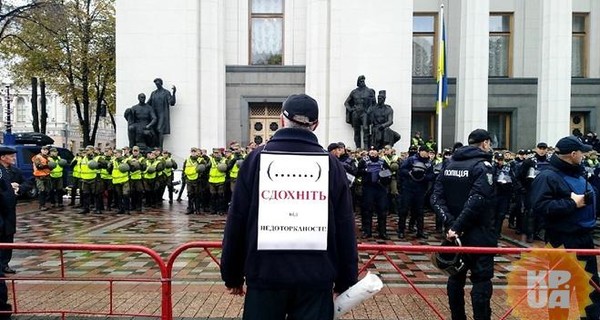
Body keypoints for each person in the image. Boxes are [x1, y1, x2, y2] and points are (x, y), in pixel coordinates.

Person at [221, 94, 358, 320]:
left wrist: (232, 275)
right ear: (315, 124)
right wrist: (346, 279)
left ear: (282, 120)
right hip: (316, 278)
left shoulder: (256, 158)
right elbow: (345, 225)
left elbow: (237, 219)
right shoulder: (331, 163)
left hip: (265, 275)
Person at [530, 136, 600, 319]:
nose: (584, 156)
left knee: (591, 292)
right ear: (573, 154)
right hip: (561, 240)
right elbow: (539, 207)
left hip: (584, 239)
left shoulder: (579, 173)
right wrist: (571, 204)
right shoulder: (547, 176)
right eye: (581, 153)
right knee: (560, 293)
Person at [430, 129, 497, 320]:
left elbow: (436, 198)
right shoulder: (483, 166)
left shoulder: (449, 164)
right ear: (485, 143)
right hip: (478, 234)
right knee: (481, 281)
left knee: (455, 277)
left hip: (454, 235)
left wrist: (452, 225)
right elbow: (477, 199)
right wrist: (456, 225)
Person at [0, 145, 20, 317]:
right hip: (3, 216)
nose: (14, 158)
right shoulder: (0, 173)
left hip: (6, 217)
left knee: (7, 240)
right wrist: (12, 193)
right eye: (11, 156)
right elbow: (5, 197)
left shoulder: (10, 171)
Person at [344, 75, 376, 149]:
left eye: (363, 81)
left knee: (365, 128)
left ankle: (366, 148)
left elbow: (374, 103)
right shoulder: (354, 92)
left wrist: (369, 111)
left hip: (364, 112)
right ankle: (358, 147)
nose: (362, 82)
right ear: (358, 82)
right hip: (356, 112)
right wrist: (351, 109)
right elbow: (346, 103)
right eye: (361, 81)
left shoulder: (369, 91)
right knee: (356, 130)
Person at [147, 78, 176, 149]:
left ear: (161, 83)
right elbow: (148, 103)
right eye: (156, 84)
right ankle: (154, 146)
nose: (157, 85)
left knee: (159, 129)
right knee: (153, 130)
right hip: (154, 114)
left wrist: (174, 93)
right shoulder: (153, 93)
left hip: (162, 114)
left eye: (158, 83)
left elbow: (172, 103)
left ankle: (160, 147)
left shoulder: (166, 92)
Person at [32, 145, 51, 211]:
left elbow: (51, 166)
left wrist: (51, 166)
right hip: (39, 177)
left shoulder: (48, 157)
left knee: (46, 191)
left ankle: (44, 204)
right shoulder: (37, 157)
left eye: (46, 150)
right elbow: (39, 166)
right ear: (41, 150)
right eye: (44, 150)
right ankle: (41, 205)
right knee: (41, 191)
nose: (45, 151)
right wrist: (48, 165)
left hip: (47, 176)